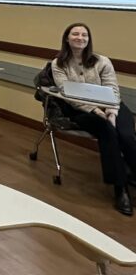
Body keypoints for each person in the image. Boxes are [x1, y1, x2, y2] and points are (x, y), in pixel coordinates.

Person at [52, 22, 136, 216]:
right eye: (75, 34)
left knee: (125, 134)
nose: (80, 38)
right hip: (82, 110)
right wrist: (97, 112)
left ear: (88, 40)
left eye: (84, 35)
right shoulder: (58, 64)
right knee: (107, 132)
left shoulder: (102, 61)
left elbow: (113, 89)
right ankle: (120, 188)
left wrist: (111, 112)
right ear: (67, 38)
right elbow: (68, 94)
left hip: (112, 106)